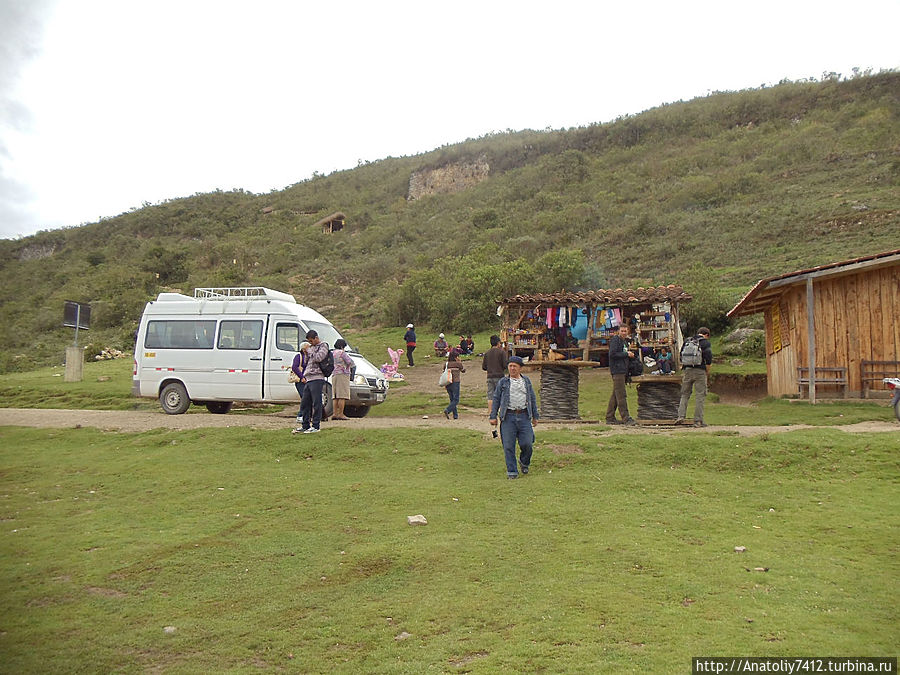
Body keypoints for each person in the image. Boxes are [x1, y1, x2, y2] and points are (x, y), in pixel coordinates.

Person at [490, 355, 539, 479]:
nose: (512, 368)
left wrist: (535, 416)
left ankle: (524, 462)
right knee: (508, 445)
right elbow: (496, 399)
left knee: (527, 443)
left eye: (515, 366)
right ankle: (512, 471)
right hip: (508, 417)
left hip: (524, 416)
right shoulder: (503, 382)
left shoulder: (526, 381)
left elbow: (532, 398)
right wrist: (493, 415)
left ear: (520, 368)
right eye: (510, 366)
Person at [675, 327, 713, 427]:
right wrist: (707, 371)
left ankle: (680, 416)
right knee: (700, 395)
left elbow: (681, 355)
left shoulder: (688, 341)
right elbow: (708, 358)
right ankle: (698, 420)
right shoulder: (705, 343)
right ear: (706, 335)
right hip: (700, 371)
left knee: (684, 394)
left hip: (687, 370)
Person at [294, 330, 329, 434]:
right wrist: (306, 354)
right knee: (305, 402)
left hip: (317, 377)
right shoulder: (311, 348)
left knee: (316, 402)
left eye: (311, 341)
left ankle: (316, 425)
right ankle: (305, 425)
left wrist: (309, 351)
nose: (311, 343)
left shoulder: (323, 346)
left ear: (316, 338)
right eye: (309, 342)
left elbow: (319, 358)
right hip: (308, 378)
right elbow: (307, 362)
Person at [605, 324, 637, 426]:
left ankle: (609, 417)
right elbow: (612, 354)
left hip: (623, 370)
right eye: (622, 331)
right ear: (618, 331)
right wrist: (626, 354)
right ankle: (626, 418)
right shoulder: (615, 340)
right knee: (621, 395)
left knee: (615, 395)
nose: (624, 333)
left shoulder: (625, 342)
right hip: (617, 370)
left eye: (625, 331)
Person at [482, 335, 508, 415]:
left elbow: (484, 367)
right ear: (498, 343)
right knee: (500, 394)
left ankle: (490, 411)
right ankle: (501, 410)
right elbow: (505, 365)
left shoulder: (487, 353)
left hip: (489, 376)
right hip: (499, 376)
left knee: (490, 394)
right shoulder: (501, 352)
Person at [331, 338, 354, 420]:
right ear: (342, 346)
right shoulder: (342, 353)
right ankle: (341, 414)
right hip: (343, 374)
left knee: (335, 395)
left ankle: (334, 413)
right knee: (342, 395)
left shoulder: (332, 353)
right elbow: (350, 362)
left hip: (334, 374)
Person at [290, 341, 310, 427]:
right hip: (300, 380)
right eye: (308, 347)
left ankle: (305, 415)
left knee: (307, 398)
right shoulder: (299, 356)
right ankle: (300, 415)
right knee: (304, 397)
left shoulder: (309, 356)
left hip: (308, 379)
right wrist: (301, 377)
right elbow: (294, 367)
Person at [442, 349, 466, 419]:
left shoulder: (446, 364)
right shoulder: (458, 364)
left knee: (452, 399)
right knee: (456, 400)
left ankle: (455, 415)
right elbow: (463, 370)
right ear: (455, 357)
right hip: (455, 382)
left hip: (448, 382)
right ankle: (448, 410)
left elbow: (444, 371)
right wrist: (460, 362)